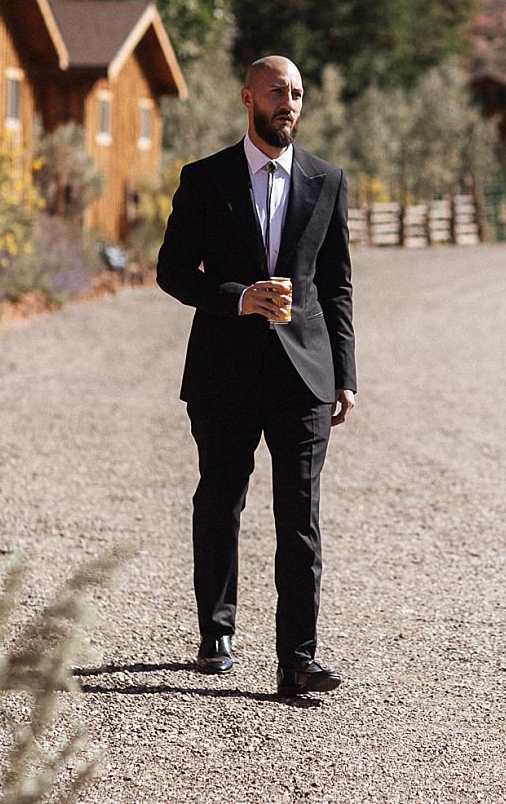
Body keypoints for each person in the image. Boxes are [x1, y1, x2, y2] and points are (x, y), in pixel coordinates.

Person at [156, 54, 358, 697]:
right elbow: (172, 271)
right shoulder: (204, 178)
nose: (289, 103)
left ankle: (297, 658)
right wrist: (238, 297)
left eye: (298, 93)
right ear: (248, 99)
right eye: (277, 92)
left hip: (304, 371)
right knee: (220, 498)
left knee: (300, 514)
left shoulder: (326, 181)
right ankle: (216, 629)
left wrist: (344, 374)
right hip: (223, 371)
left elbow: (337, 285)